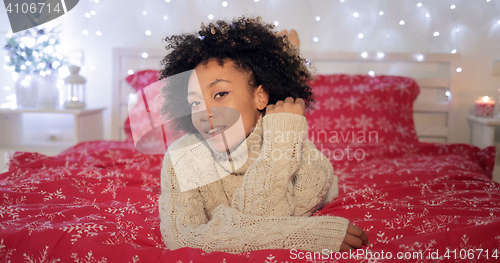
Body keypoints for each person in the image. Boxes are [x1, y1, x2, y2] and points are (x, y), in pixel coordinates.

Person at [158, 16, 369, 254]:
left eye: (220, 94)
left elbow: (265, 216)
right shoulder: (182, 155)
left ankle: (288, 66)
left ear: (260, 96)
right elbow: (182, 238)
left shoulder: (303, 156)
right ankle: (288, 61)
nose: (204, 114)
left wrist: (280, 139)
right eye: (194, 102)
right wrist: (308, 234)